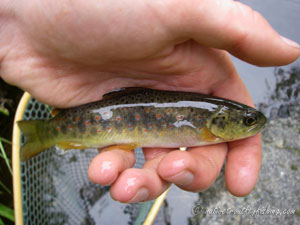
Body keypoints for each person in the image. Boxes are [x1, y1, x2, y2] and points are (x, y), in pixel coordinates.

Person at [0, 0, 299, 203]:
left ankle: (44, 133)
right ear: (220, 123)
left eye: (248, 120)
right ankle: (44, 133)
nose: (253, 122)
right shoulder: (208, 126)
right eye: (247, 121)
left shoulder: (210, 118)